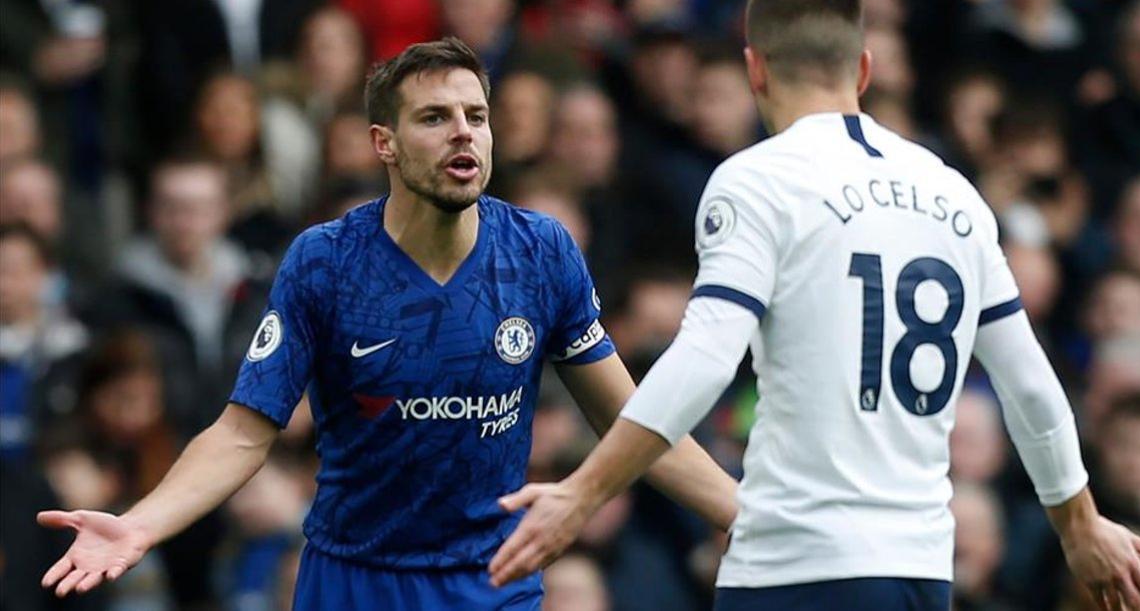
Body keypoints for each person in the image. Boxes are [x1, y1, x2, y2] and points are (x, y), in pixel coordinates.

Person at [487, 0, 1140, 611]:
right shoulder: (954, 193)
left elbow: (702, 359)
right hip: (922, 573)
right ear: (864, 68)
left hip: (797, 569)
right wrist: (1079, 521)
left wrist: (581, 492)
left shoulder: (758, 181)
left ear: (754, 69)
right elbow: (1030, 383)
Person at [37, 37, 738, 608]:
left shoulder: (541, 250)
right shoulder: (325, 261)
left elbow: (639, 422)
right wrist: (140, 524)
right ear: (385, 143)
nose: (463, 131)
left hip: (492, 581)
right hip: (353, 582)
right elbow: (242, 433)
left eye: (477, 115)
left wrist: (746, 512)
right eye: (434, 117)